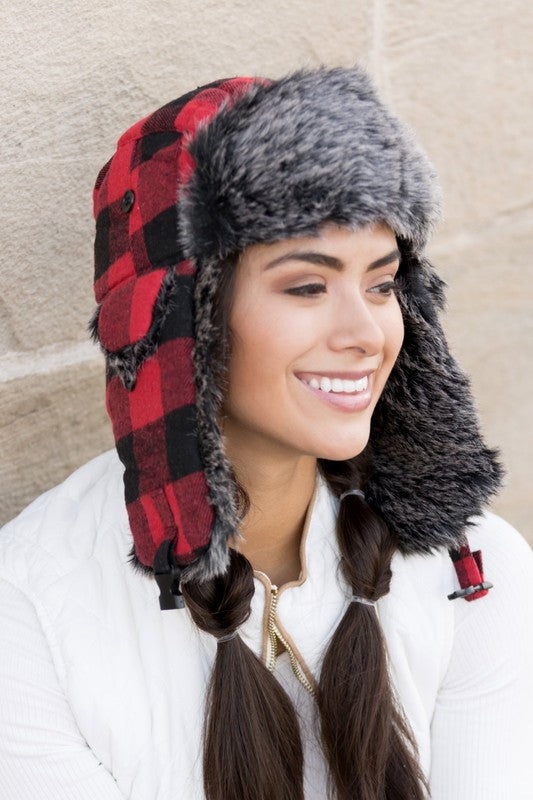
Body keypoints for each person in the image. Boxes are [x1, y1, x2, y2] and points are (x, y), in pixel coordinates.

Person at [0, 65, 531, 800]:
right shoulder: (27, 606)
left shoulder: (470, 571)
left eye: (380, 283)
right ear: (190, 317)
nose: (365, 334)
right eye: (307, 286)